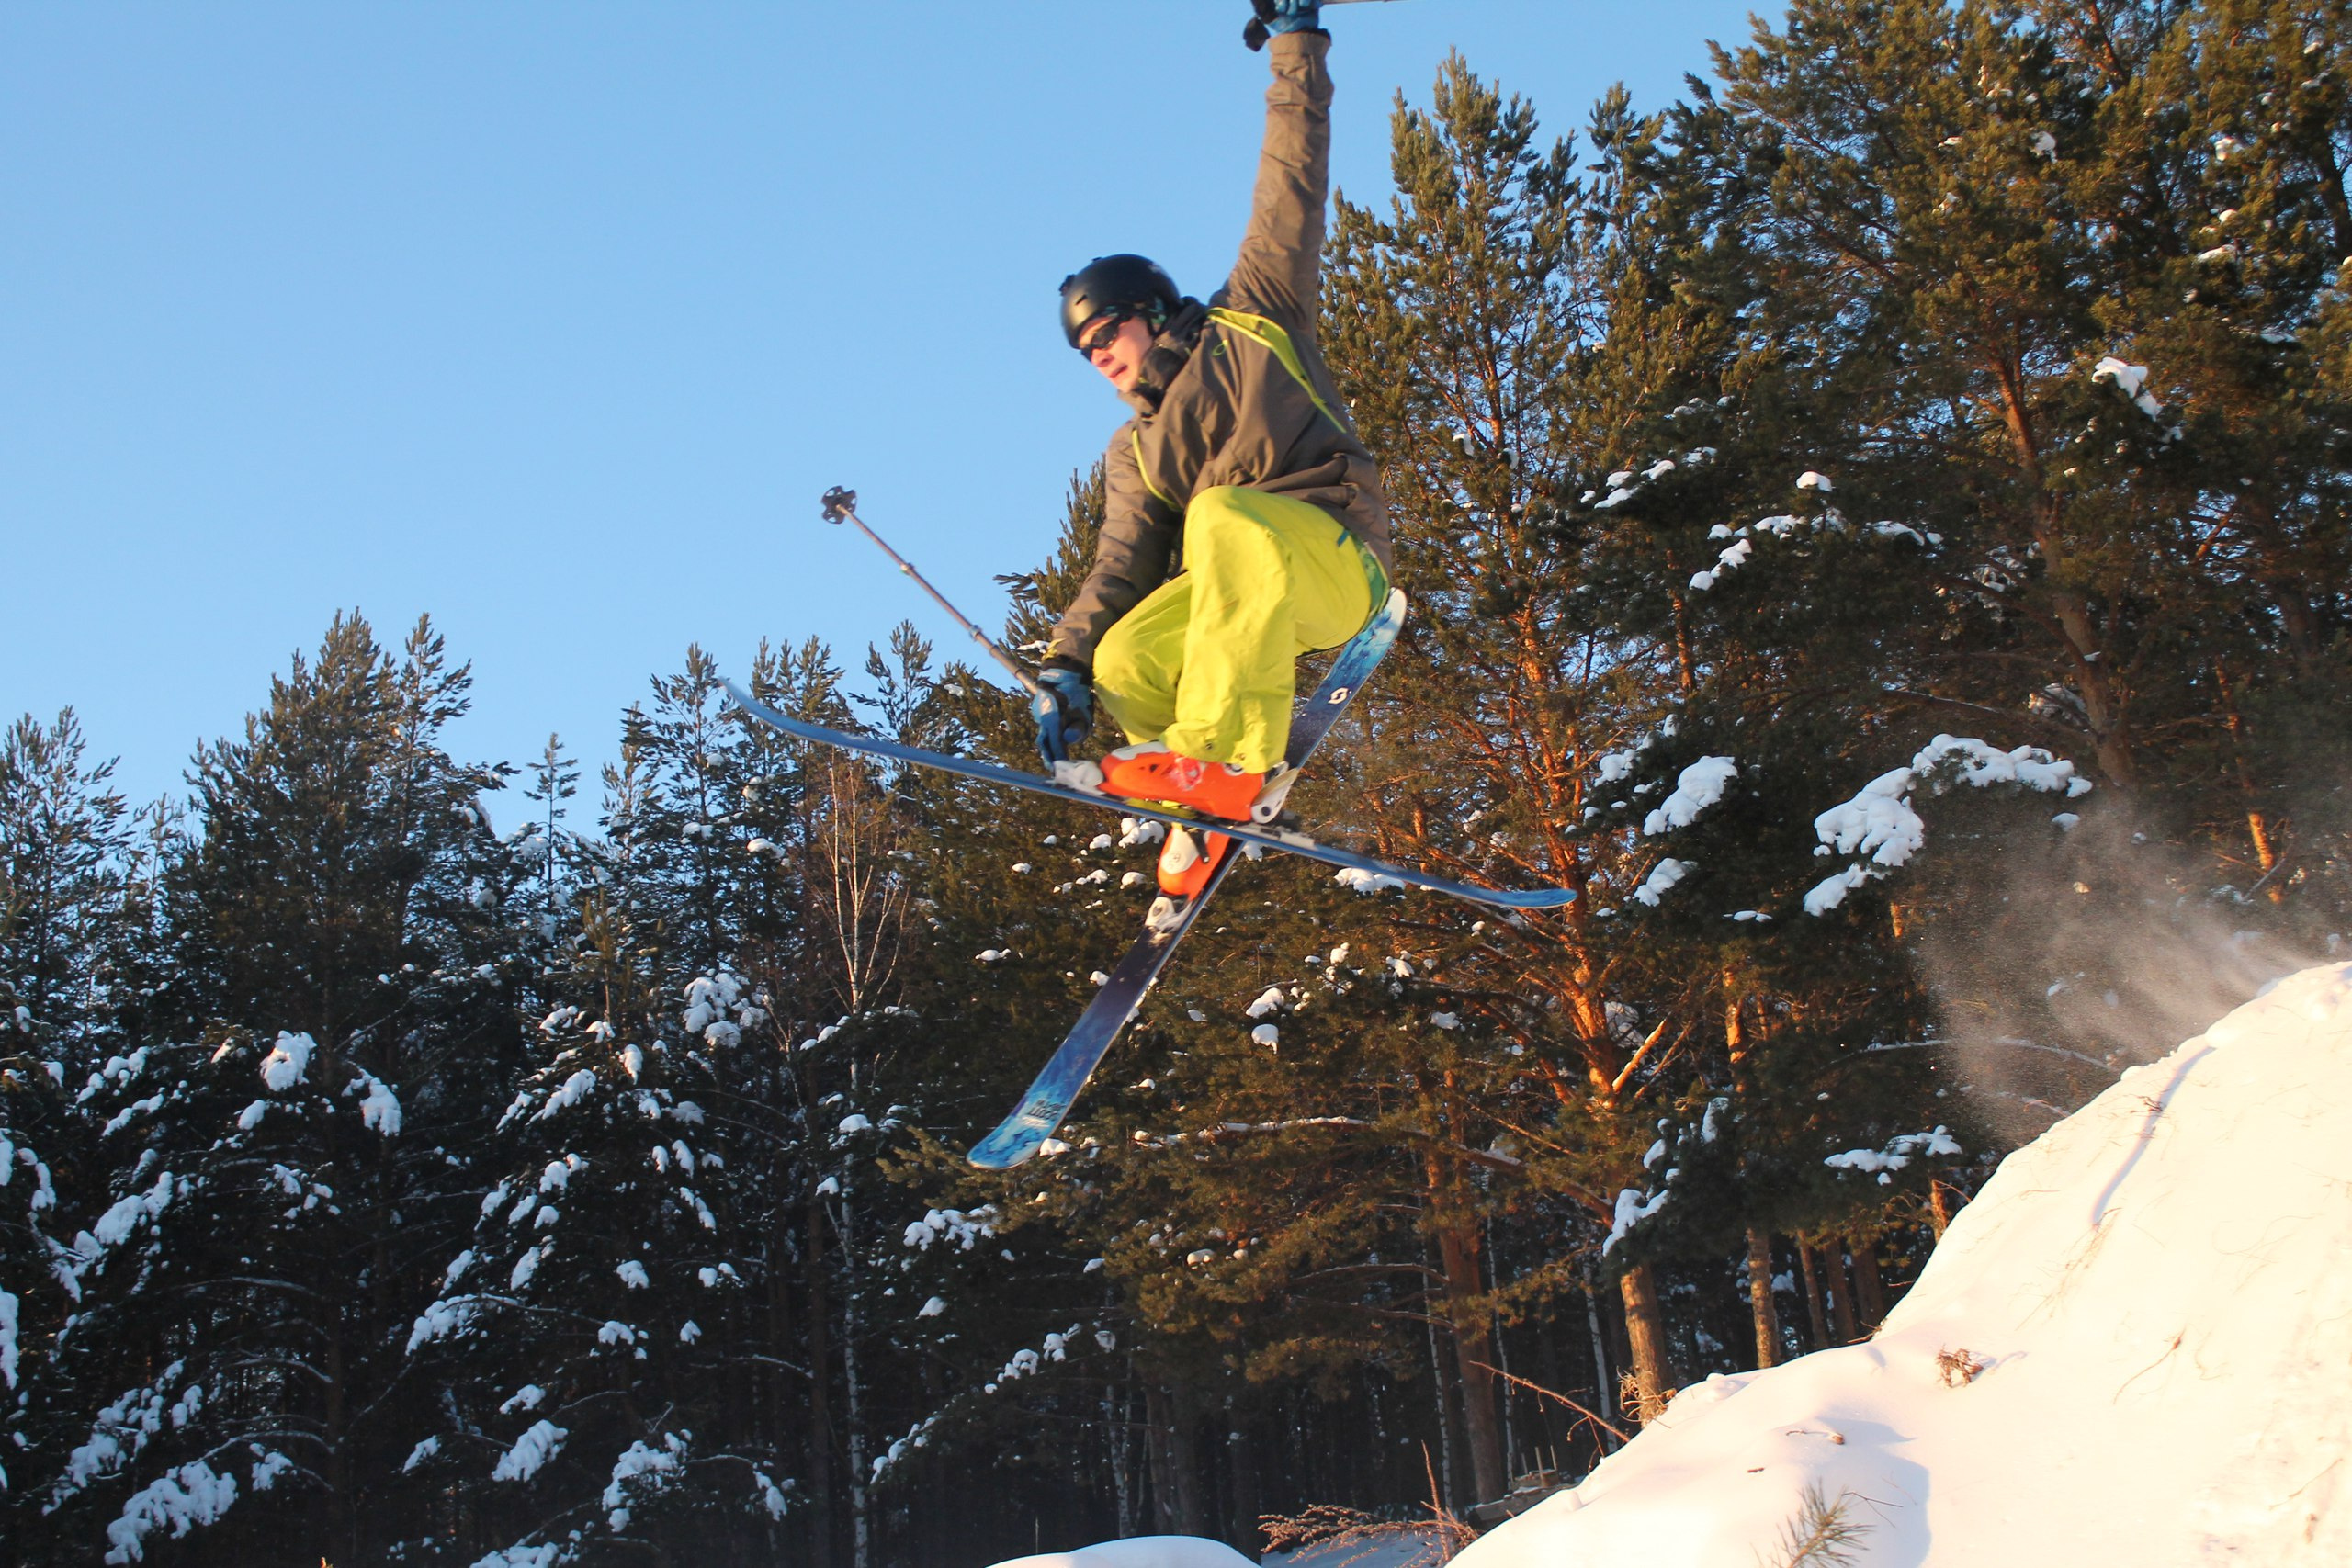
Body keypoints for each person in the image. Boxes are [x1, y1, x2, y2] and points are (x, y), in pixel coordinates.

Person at [1034, 0, 1394, 899]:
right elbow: (1119, 566)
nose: (1101, 357)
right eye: (1085, 354)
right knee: (1129, 657)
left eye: (1105, 332)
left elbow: (1292, 175)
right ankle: (1204, 807)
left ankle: (1222, 763)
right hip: (1244, 594)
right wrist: (1067, 668)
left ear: (1150, 310)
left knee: (1226, 513)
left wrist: (1295, 42)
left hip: (1332, 556)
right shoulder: (1137, 450)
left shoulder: (1254, 316)